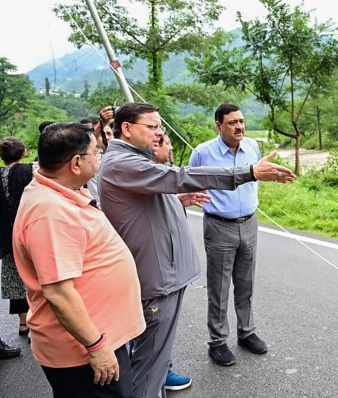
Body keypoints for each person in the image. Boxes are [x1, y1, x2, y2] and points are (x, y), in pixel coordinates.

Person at [98, 102, 295, 398]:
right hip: (163, 270)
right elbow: (180, 176)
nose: (159, 133)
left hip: (237, 229)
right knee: (150, 364)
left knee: (157, 360)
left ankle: (246, 332)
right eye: (152, 127)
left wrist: (176, 200)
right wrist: (249, 172)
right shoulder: (124, 163)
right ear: (126, 128)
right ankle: (217, 341)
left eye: (160, 127)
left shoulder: (131, 161)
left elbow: (152, 197)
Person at [12, 123, 145, 397]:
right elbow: (58, 292)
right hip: (84, 350)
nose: (99, 158)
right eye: (95, 152)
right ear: (75, 163)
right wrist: (96, 346)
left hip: (98, 338)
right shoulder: (49, 213)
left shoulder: (63, 191)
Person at [189, 104, 268, 367]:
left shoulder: (252, 147)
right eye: (232, 122)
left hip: (249, 223)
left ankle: (246, 332)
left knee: (246, 283)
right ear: (218, 126)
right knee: (219, 287)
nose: (239, 127)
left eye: (241, 121)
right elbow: (189, 182)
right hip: (219, 225)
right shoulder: (203, 152)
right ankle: (218, 341)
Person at [152, 133, 209, 392]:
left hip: (167, 267)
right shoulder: (141, 173)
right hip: (153, 271)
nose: (171, 147)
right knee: (151, 330)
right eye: (165, 142)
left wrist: (176, 200)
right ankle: (154, 376)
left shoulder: (155, 174)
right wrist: (250, 172)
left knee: (158, 331)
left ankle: (162, 371)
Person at [0, 137, 32, 338]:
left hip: (7, 237)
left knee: (16, 278)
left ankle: (23, 323)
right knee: (36, 276)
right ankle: (39, 322)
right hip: (29, 232)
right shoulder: (30, 171)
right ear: (23, 152)